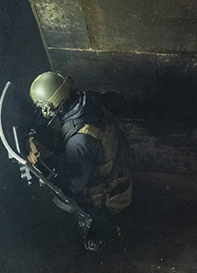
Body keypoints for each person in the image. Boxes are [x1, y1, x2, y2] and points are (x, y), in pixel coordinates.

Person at [27, 72, 132, 251]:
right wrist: (32, 138)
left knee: (67, 198)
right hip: (115, 159)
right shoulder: (85, 100)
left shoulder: (79, 142)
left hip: (109, 186)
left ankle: (109, 232)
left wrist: (46, 173)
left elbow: (72, 186)